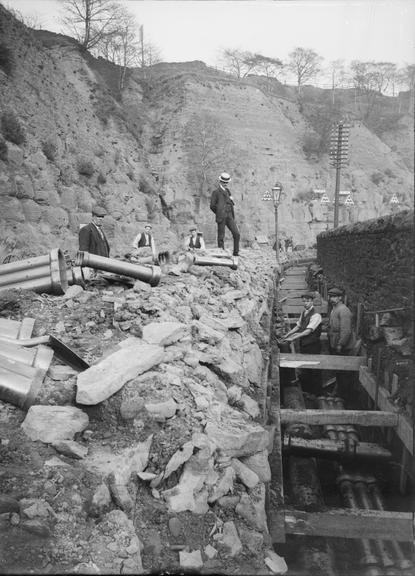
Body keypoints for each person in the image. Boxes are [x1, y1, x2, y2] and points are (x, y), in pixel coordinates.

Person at [282, 291, 323, 395]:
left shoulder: (316, 315)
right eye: (304, 301)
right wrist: (288, 334)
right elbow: (298, 326)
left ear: (312, 301)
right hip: (304, 344)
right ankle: (306, 391)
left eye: (308, 301)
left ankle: (316, 393)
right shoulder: (303, 313)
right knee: (305, 367)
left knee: (314, 368)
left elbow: (308, 331)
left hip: (313, 345)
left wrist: (295, 337)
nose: (305, 303)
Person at [327, 287, 357, 399]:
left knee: (344, 372)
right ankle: (338, 393)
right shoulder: (334, 308)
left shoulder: (343, 310)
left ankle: (344, 396)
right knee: (338, 371)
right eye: (330, 296)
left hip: (343, 346)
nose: (331, 299)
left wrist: (340, 344)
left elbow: (346, 330)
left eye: (334, 296)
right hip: (334, 342)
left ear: (340, 297)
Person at [209, 172, 240, 263]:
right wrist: (219, 212)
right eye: (223, 182)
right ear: (220, 181)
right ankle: (221, 253)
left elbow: (230, 202)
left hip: (230, 215)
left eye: (226, 182)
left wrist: (231, 202)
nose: (225, 184)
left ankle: (236, 252)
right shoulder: (216, 192)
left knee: (236, 233)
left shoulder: (228, 191)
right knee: (221, 236)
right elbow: (212, 206)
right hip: (221, 216)